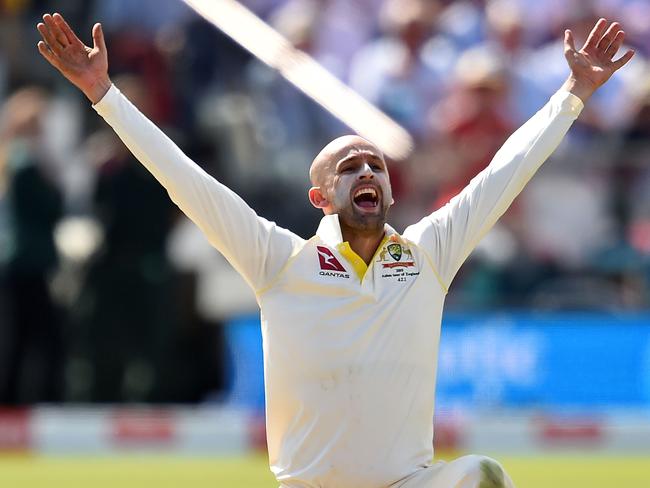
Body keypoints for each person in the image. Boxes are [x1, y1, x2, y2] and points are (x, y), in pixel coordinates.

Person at [36, 12, 633, 488]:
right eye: (349, 166)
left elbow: (506, 173)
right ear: (320, 196)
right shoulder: (280, 261)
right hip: (310, 487)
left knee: (482, 476)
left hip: (409, 484)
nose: (367, 169)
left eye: (375, 163)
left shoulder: (428, 254)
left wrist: (573, 94)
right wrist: (104, 94)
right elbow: (187, 182)